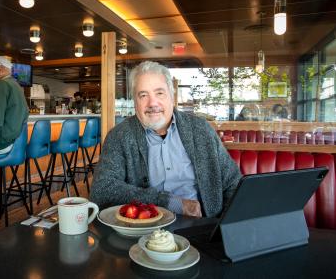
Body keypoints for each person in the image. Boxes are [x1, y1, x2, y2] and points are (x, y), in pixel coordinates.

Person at [90, 61, 242, 217]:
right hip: (144, 231)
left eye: (159, 93)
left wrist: (224, 226)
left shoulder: (201, 130)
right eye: (143, 95)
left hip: (201, 225)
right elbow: (102, 190)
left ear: (171, 95)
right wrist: (169, 202)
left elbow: (233, 183)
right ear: (135, 101)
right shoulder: (119, 136)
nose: (152, 103)